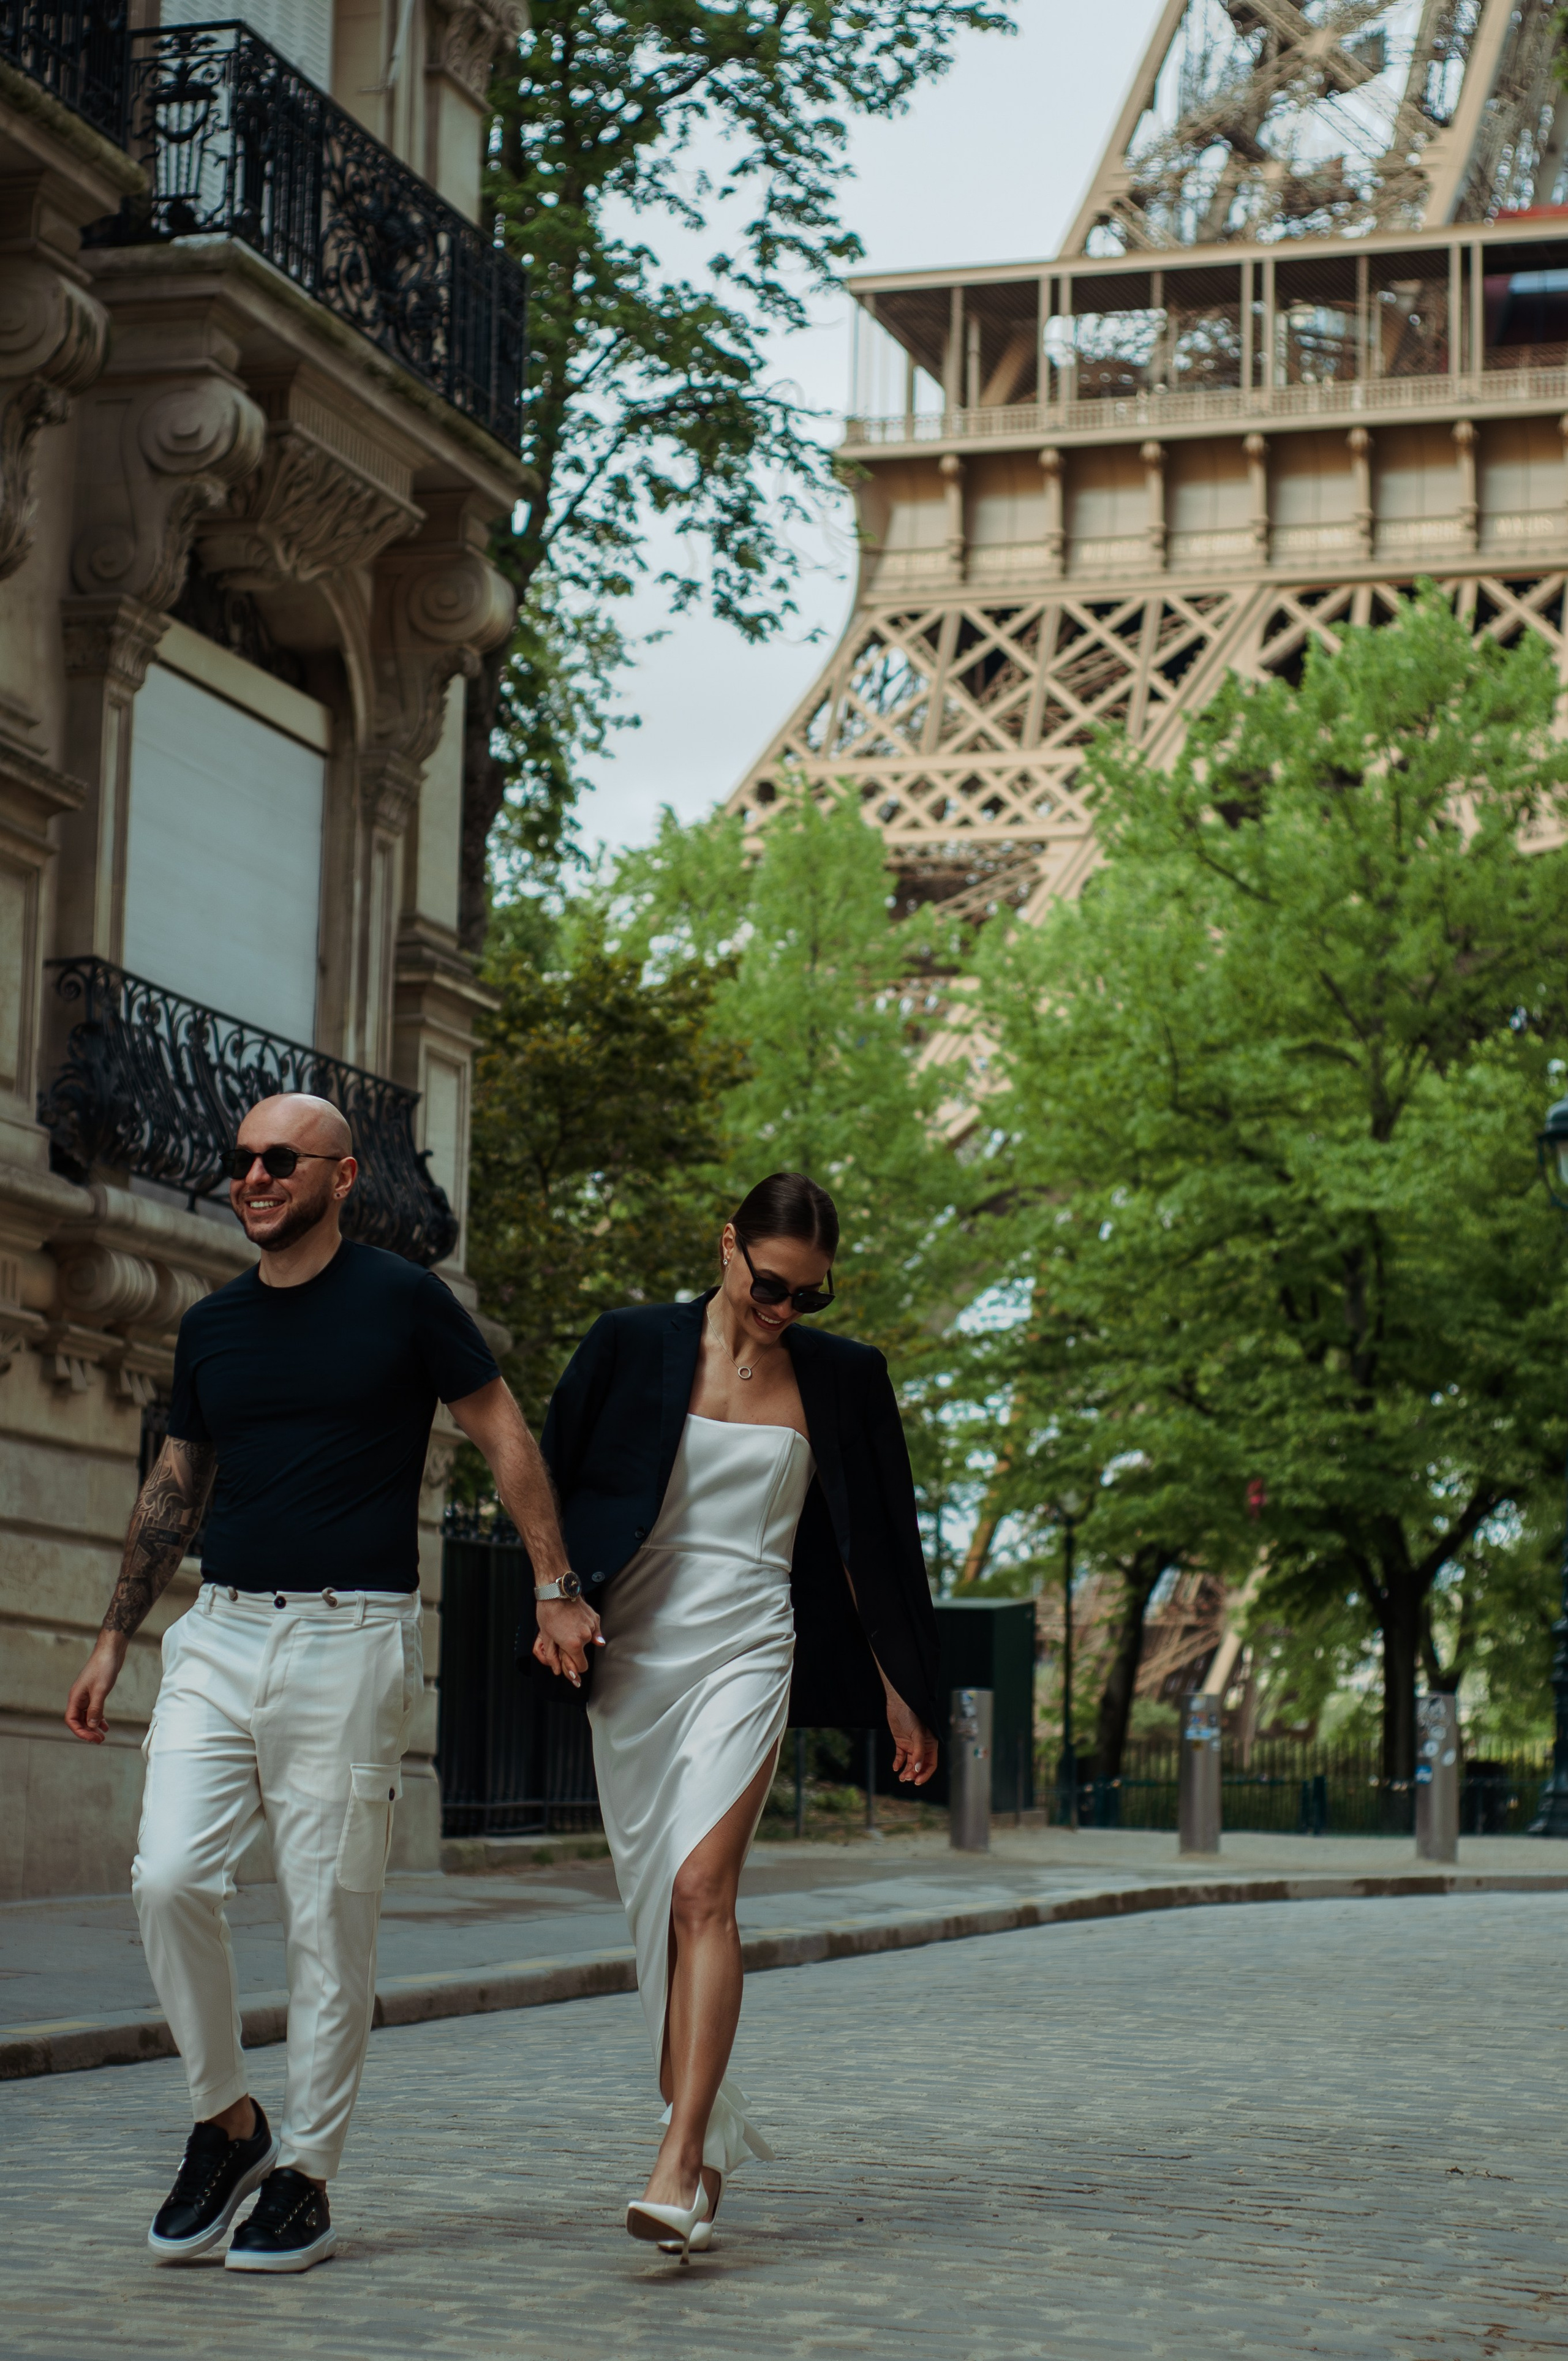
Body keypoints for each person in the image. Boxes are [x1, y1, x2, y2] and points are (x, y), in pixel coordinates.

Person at [64, 1092, 579, 2275]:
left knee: (327, 1919)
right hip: (221, 1633)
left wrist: (555, 1582)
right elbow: (176, 1486)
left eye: (280, 1160)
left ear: (341, 1178)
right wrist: (112, 1636)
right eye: (240, 1159)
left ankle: (305, 2175)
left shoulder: (406, 1302)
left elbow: (504, 1435)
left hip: (352, 1641)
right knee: (168, 1878)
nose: (253, 1177)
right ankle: (227, 2121)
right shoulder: (213, 1325)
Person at [533, 1170, 941, 2261]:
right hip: (634, 1659)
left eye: (811, 1296)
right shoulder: (629, 1345)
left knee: (701, 1890)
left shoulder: (845, 1379)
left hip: (750, 1644)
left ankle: (677, 2163)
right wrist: (554, 1597)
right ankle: (711, 2142)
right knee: (656, 1917)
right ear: (727, 1248)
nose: (786, 1310)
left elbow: (874, 1545)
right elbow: (546, 1481)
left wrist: (904, 1687)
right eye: (771, 1286)